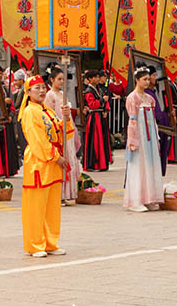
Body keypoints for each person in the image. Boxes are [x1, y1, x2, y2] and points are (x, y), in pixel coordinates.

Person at [19, 75, 68, 257]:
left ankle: (50, 242)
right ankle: (35, 244)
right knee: (36, 207)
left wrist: (66, 118)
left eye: (42, 87)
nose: (41, 91)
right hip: (38, 163)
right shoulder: (30, 111)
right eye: (36, 88)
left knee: (52, 206)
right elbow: (37, 139)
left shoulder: (46, 109)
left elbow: (60, 132)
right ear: (28, 92)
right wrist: (56, 157)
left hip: (52, 162)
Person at [123, 67, 165, 212]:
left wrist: (156, 137)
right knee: (138, 167)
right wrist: (132, 140)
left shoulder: (150, 99)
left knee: (150, 165)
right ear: (137, 80)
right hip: (139, 136)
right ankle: (135, 201)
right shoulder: (132, 98)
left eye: (149, 79)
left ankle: (149, 198)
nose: (147, 82)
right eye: (144, 79)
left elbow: (153, 120)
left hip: (150, 137)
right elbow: (132, 121)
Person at [44, 67, 79, 204]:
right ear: (52, 80)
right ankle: (59, 194)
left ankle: (69, 193)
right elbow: (49, 115)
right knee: (61, 160)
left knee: (70, 158)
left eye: (63, 79)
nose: (61, 82)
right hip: (58, 131)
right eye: (59, 79)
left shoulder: (63, 94)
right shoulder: (50, 95)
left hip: (67, 129)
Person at [81, 70, 112, 171]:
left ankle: (102, 163)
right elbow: (92, 105)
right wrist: (102, 100)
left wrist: (106, 110)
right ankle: (94, 164)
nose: (97, 79)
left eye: (98, 77)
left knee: (102, 140)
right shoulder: (89, 91)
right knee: (95, 140)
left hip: (101, 116)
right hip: (94, 118)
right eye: (95, 77)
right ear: (90, 79)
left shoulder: (99, 89)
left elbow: (105, 103)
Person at [147, 68, 173, 176]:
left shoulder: (155, 91)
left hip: (160, 126)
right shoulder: (144, 94)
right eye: (153, 75)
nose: (156, 78)